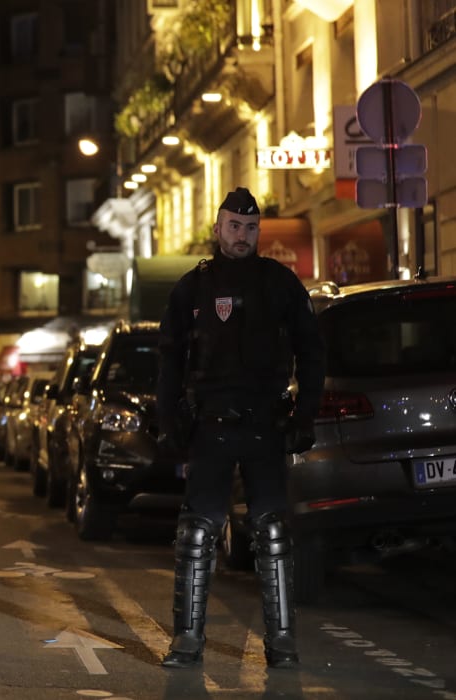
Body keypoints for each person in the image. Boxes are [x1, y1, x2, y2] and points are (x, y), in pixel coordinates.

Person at [156, 187, 325, 670]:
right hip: (210, 425)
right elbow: (170, 359)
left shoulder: (280, 283)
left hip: (265, 426)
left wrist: (305, 415)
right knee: (197, 532)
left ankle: (283, 643)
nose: (243, 235)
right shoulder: (193, 287)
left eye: (251, 228)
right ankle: (187, 641)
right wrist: (168, 422)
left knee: (272, 532)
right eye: (234, 226)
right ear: (218, 228)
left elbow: (312, 351)